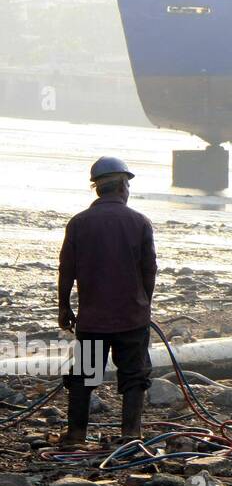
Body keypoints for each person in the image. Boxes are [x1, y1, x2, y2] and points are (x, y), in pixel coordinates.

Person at [57, 157, 157, 446]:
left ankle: (76, 434)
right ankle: (130, 435)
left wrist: (64, 306)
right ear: (123, 186)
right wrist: (143, 303)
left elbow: (67, 269)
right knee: (134, 376)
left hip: (92, 319)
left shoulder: (78, 223)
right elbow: (149, 269)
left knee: (83, 376)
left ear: (97, 189)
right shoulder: (139, 222)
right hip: (131, 318)